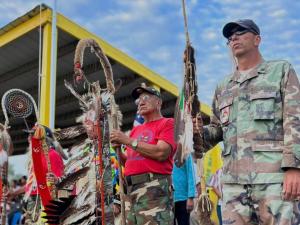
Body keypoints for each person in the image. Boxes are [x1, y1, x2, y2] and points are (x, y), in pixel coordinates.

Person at [196, 19, 300, 224]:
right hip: (233, 185)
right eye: (229, 37)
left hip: (273, 179)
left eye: (241, 32)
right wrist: (198, 131)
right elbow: (217, 131)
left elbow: (294, 119)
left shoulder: (280, 71)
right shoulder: (223, 86)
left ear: (257, 39)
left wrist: (294, 168)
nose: (234, 37)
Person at [110, 85, 176, 225]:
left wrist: (126, 140)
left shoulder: (168, 123)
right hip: (130, 190)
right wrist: (118, 152)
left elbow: (161, 153)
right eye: (138, 100)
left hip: (153, 189)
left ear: (158, 102)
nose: (140, 102)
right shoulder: (136, 130)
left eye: (145, 98)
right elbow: (129, 162)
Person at [173, 153, 196, 225]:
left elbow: (191, 175)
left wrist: (190, 197)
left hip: (183, 199)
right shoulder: (165, 152)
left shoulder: (185, 153)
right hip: (168, 199)